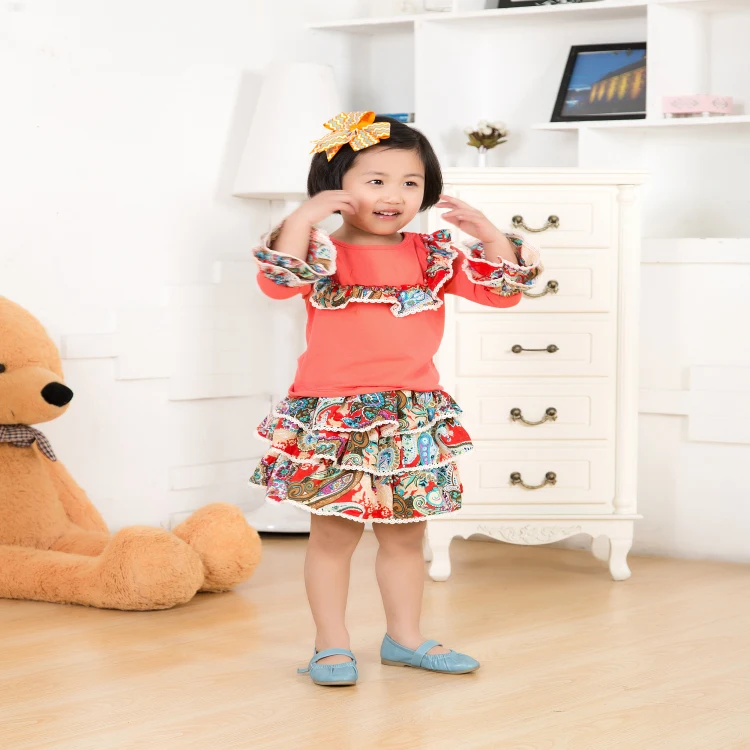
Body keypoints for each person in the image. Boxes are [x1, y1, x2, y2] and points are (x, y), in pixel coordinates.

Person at [250, 111, 542, 687]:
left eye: (410, 183)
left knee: (407, 536)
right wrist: (305, 217)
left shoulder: (431, 255)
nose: (394, 195)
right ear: (336, 186)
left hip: (411, 415)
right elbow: (278, 282)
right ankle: (330, 644)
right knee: (333, 535)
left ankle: (404, 639)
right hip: (334, 415)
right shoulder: (320, 254)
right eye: (376, 180)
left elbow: (503, 295)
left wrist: (489, 235)